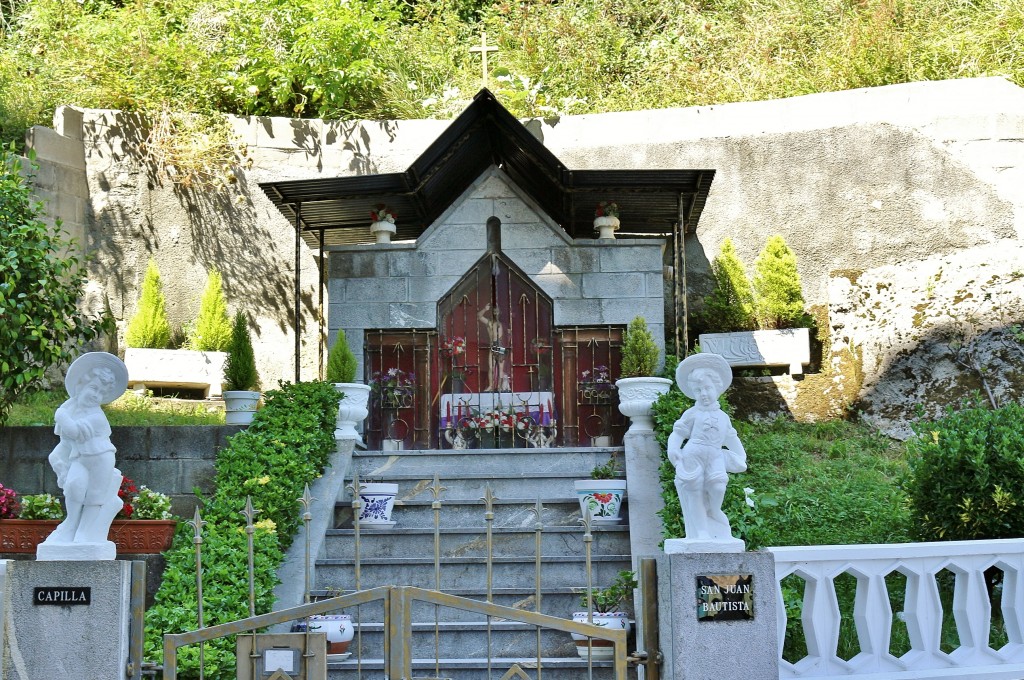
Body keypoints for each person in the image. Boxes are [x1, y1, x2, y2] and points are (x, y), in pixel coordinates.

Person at [43, 352, 128, 549]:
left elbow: (72, 431)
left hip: (101, 458)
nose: (95, 396)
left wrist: (60, 415)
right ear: (80, 385)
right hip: (80, 458)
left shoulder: (96, 416)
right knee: (74, 486)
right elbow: (64, 442)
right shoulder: (71, 406)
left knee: (95, 496)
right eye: (93, 388)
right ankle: (71, 523)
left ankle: (84, 532)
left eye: (101, 394)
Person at [667, 353, 746, 541]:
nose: (703, 394)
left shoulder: (723, 417)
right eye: (698, 390)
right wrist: (673, 449)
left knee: (718, 487)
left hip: (715, 456)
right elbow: (678, 433)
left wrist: (741, 456)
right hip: (693, 455)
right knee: (694, 493)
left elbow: (731, 438)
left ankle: (714, 511)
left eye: (707, 388)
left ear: (717, 387)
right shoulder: (692, 413)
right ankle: (702, 531)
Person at [477, 302, 509, 392]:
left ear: (500, 312)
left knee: (500, 368)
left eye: (497, 311)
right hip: (493, 345)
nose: (495, 313)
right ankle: (491, 386)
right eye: (494, 311)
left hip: (500, 345)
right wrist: (485, 309)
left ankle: (499, 386)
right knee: (491, 367)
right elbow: (479, 316)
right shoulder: (489, 322)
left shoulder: (502, 324)